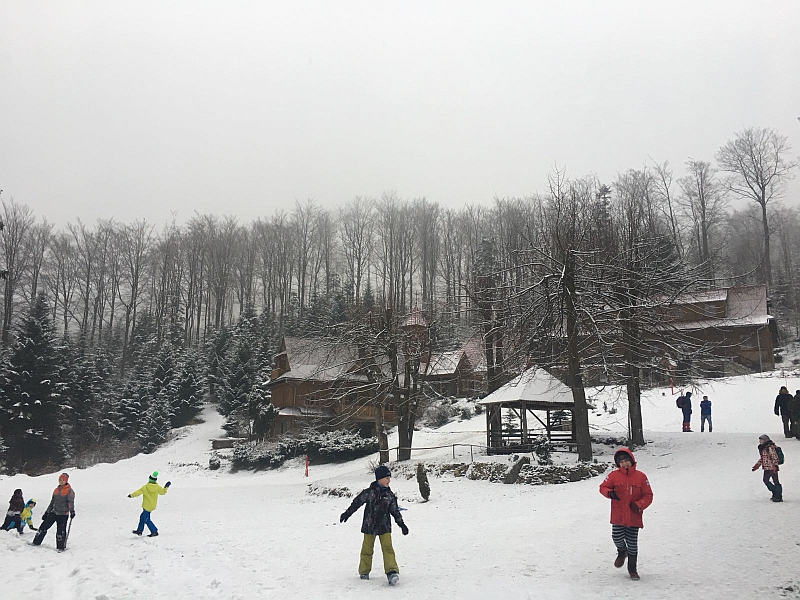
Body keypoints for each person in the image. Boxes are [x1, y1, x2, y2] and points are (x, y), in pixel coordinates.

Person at [339, 465, 409, 586]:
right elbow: (357, 503)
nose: (389, 480)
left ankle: (391, 572)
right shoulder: (369, 492)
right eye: (386, 478)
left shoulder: (390, 495)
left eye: (389, 478)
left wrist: (401, 524)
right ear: (379, 479)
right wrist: (347, 514)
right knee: (367, 549)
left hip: (384, 526)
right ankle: (364, 571)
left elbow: (395, 511)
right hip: (369, 526)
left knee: (388, 548)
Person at [599, 449, 653, 581]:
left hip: (634, 515)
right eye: (621, 462)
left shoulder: (641, 477)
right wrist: (610, 493)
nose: (624, 464)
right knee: (616, 537)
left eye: (626, 461)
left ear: (631, 460)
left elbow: (648, 495)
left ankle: (632, 569)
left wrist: (639, 505)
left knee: (632, 543)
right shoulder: (613, 476)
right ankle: (622, 551)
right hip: (618, 514)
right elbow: (603, 487)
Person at [33, 473, 76, 551]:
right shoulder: (56, 490)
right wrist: (47, 512)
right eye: (60, 480)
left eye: (62, 480)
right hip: (54, 512)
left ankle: (61, 547)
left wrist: (72, 511)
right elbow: (52, 502)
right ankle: (36, 542)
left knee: (61, 531)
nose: (61, 481)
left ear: (66, 481)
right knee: (43, 527)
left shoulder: (69, 491)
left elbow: (70, 502)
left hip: (63, 514)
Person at [128, 471, 171, 537]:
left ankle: (154, 531)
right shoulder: (157, 487)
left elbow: (137, 492)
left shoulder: (145, 487)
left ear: (149, 479)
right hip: (152, 505)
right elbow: (162, 492)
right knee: (142, 517)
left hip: (146, 506)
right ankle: (139, 531)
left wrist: (131, 495)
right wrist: (166, 487)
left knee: (146, 519)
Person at [752, 434, 782, 502]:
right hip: (766, 467)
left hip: (772, 467)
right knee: (766, 480)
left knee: (776, 481)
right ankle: (775, 493)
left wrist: (775, 466)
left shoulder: (770, 447)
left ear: (765, 440)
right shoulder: (762, 448)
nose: (760, 441)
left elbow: (774, 457)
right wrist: (757, 465)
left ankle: (778, 496)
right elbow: (763, 458)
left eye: (761, 440)